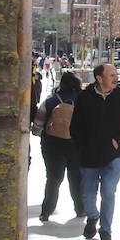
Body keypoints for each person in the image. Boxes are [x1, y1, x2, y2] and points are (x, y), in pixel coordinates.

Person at [70, 63, 120, 240]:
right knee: (87, 194)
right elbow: (75, 126)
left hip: (113, 155)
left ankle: (105, 231)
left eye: (116, 74)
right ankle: (92, 216)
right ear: (99, 78)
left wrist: (119, 140)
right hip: (89, 155)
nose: (116, 78)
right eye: (111, 75)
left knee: (108, 192)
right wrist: (83, 145)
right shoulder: (84, 97)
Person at [36, 71, 84, 222]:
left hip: (52, 145)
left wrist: (42, 133)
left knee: (53, 178)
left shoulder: (50, 100)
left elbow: (38, 125)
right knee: (76, 178)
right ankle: (80, 209)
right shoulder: (83, 100)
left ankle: (46, 211)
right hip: (77, 144)